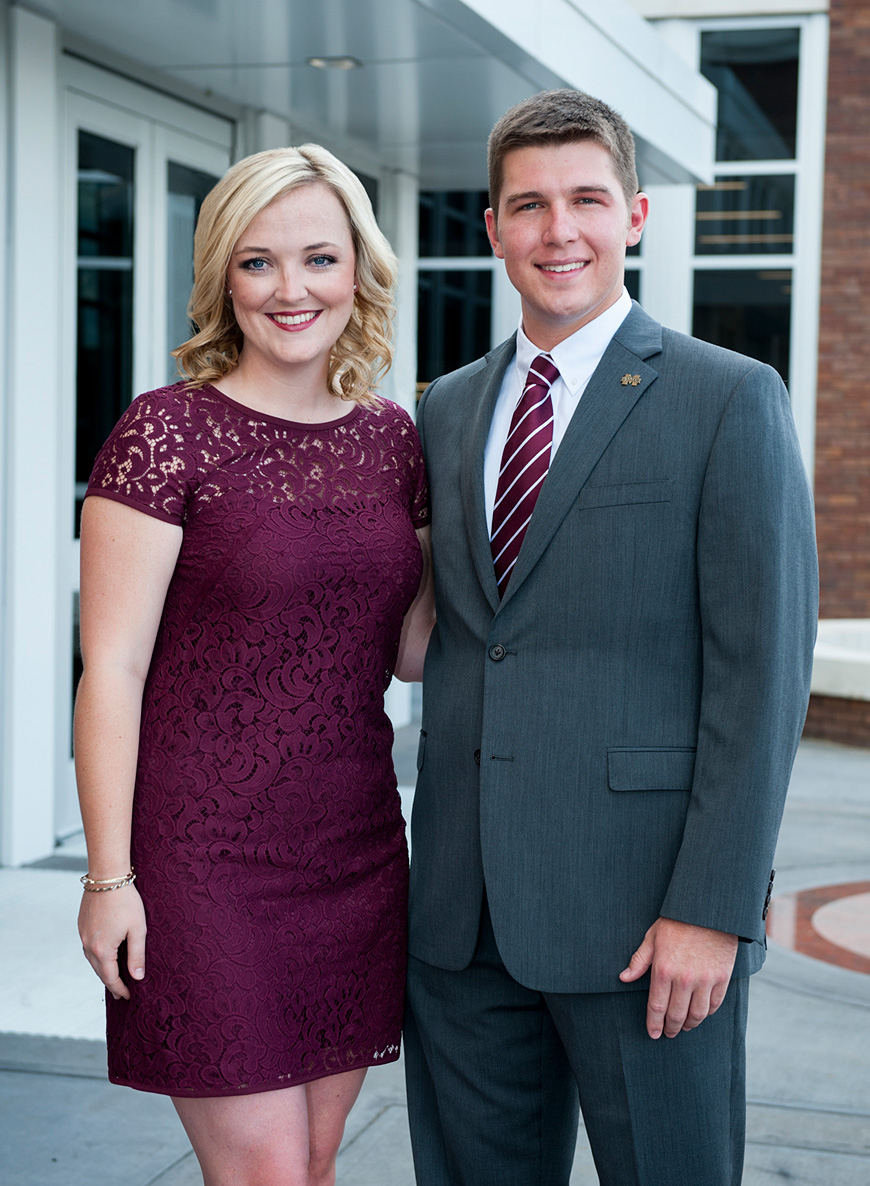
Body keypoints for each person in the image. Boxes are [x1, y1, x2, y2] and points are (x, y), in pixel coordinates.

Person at [403, 89, 818, 1186]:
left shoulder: (728, 399)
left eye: (586, 199)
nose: (559, 230)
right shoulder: (444, 407)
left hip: (646, 921)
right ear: (490, 226)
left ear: (635, 213)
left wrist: (712, 908)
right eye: (528, 205)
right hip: (460, 918)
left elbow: (761, 677)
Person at [75, 144, 433, 1186]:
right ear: (223, 278)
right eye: (258, 261)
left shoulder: (393, 443)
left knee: (313, 1166)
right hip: (202, 864)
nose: (291, 290)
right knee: (270, 1173)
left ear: (358, 272)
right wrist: (109, 877)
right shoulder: (166, 434)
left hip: (355, 853)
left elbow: (407, 652)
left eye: (319, 258)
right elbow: (113, 673)